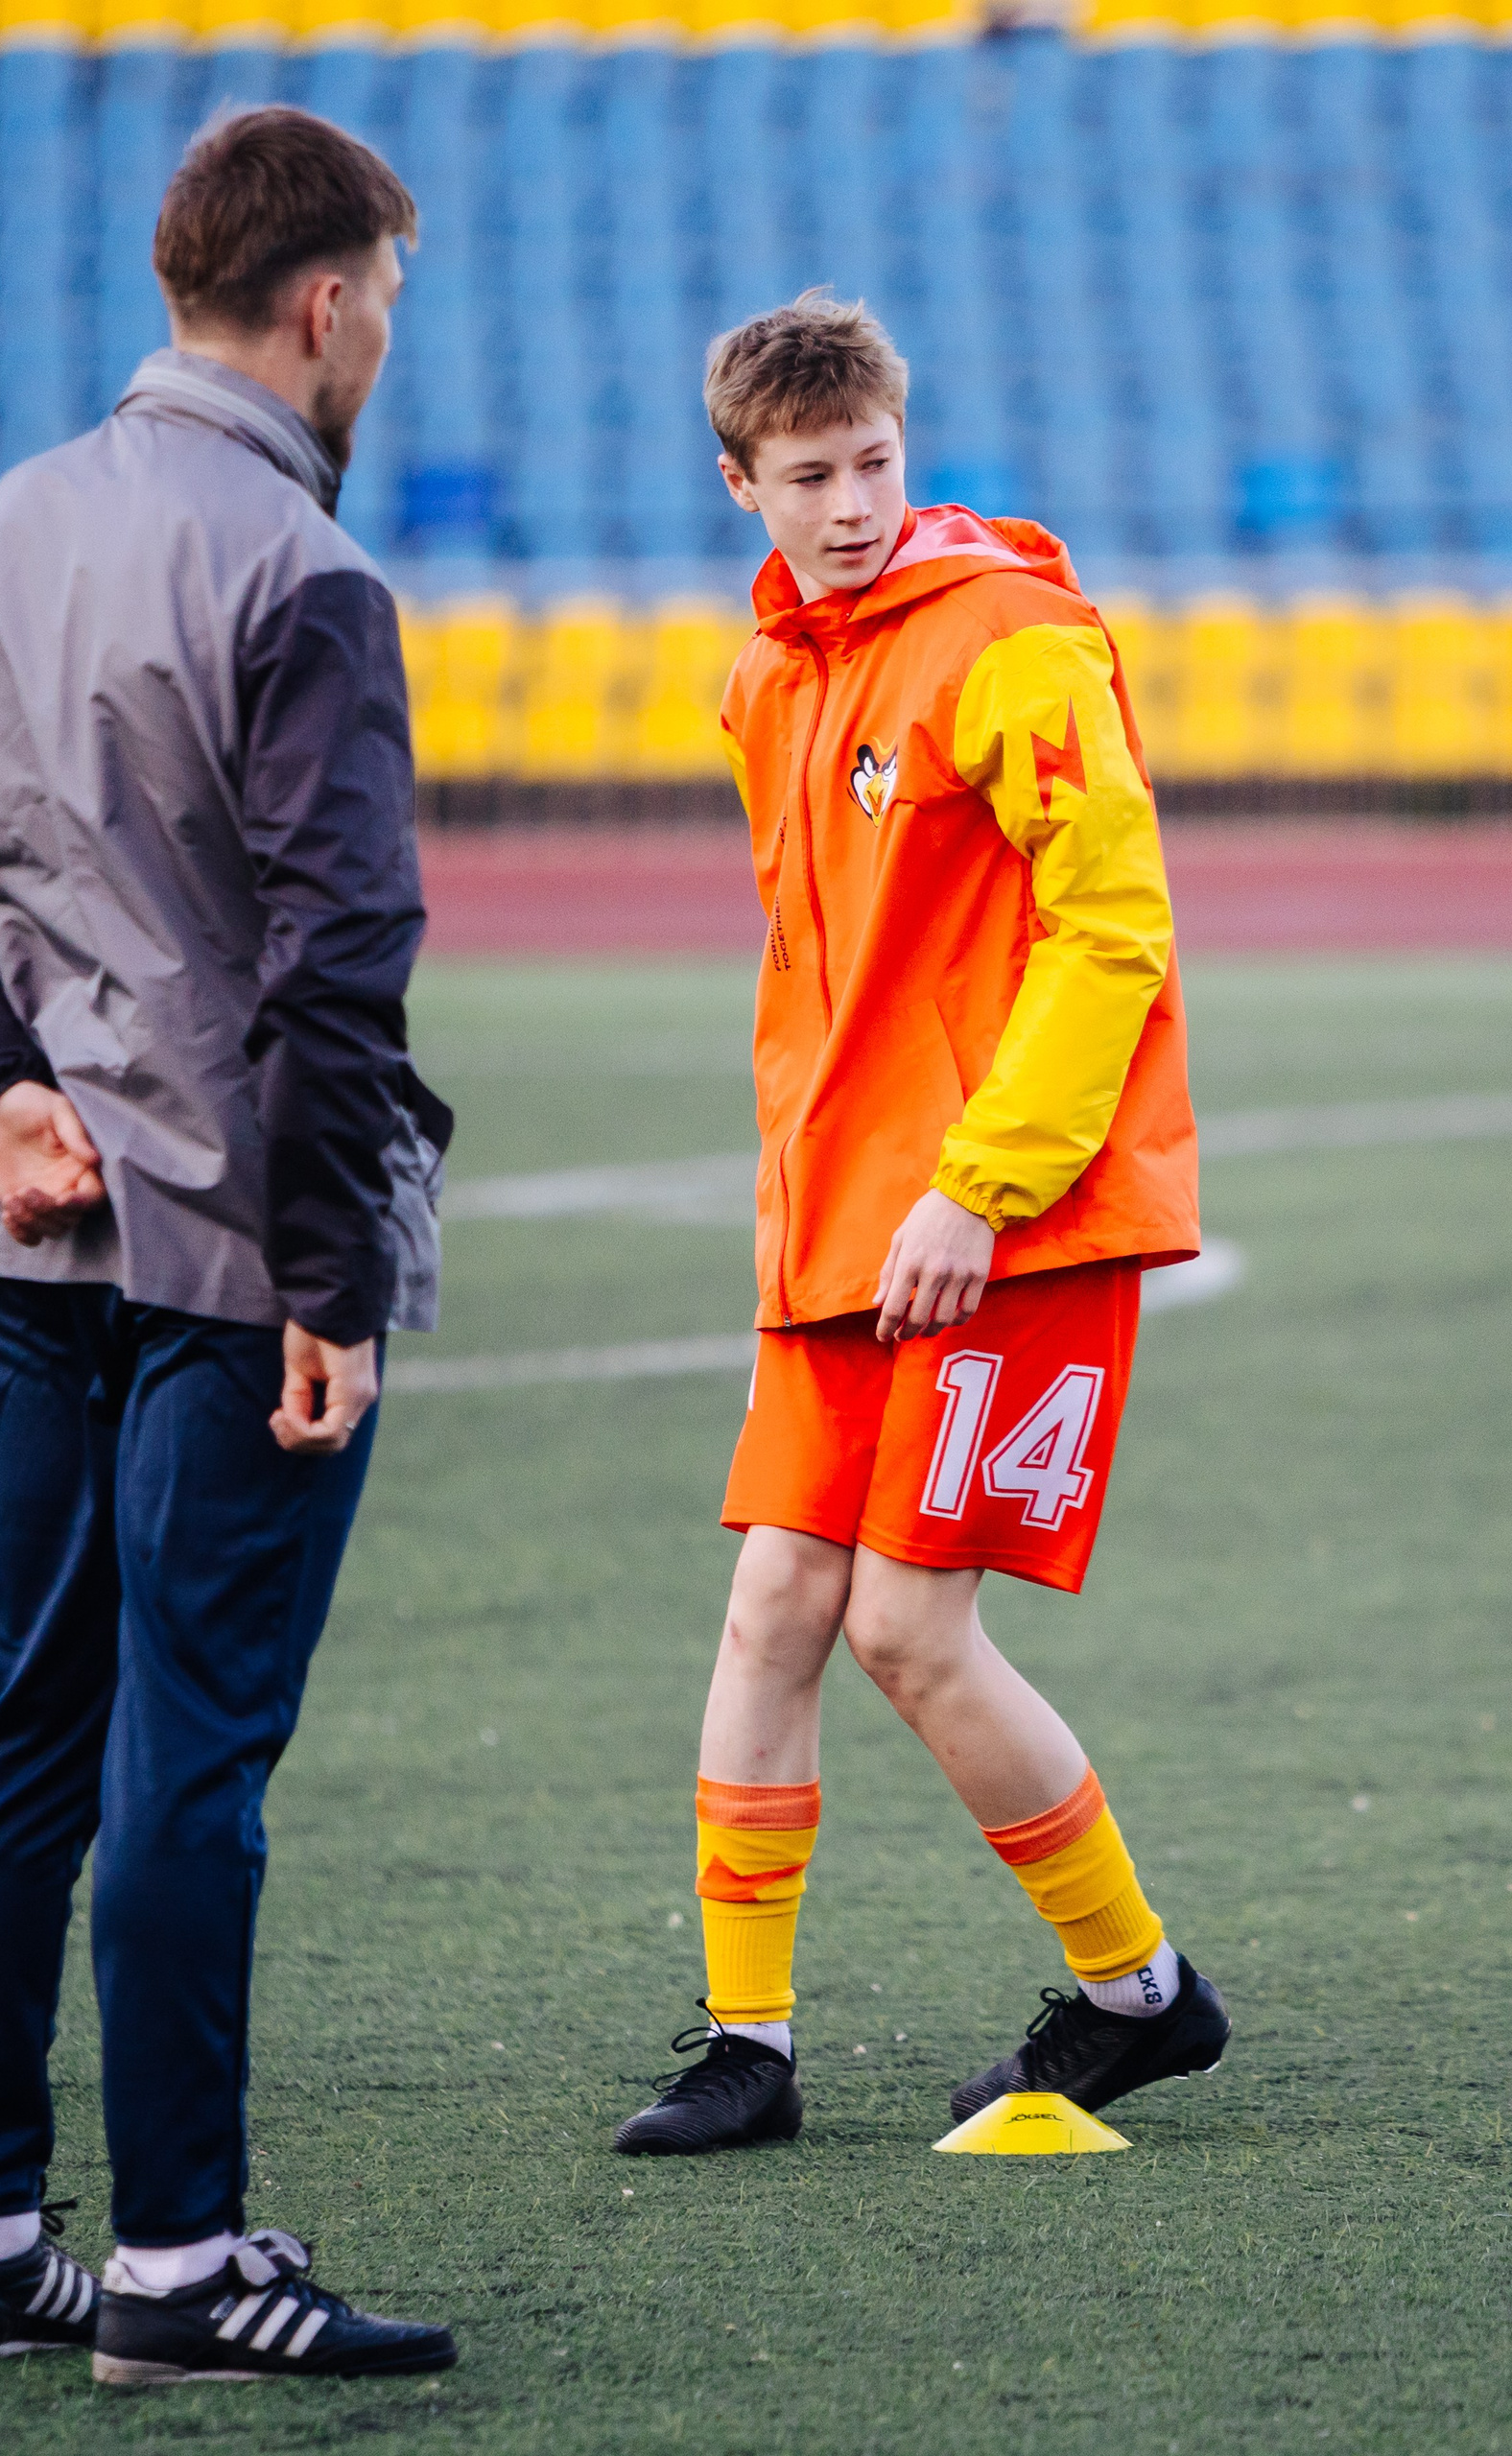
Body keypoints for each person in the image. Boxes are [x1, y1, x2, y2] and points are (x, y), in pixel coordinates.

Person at [0, 107, 458, 2386]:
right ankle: (187, 2265)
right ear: (323, 303)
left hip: (47, 1240)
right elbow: (332, 961)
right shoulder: (301, 572)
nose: (383, 336)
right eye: (383, 298)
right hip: (235, 1249)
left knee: (28, 1726)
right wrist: (325, 1277)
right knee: (187, 1757)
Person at [614, 292, 1231, 2160]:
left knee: (903, 1628)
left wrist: (981, 1178)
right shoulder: (762, 679)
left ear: (904, 441)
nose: (849, 502)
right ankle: (746, 2041)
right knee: (773, 1602)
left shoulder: (1008, 643)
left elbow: (1110, 931)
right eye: (805, 476)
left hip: (1006, 1218)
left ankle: (1138, 1993)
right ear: (739, 484)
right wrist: (831, 1198)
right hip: (839, 1226)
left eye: (871, 461)